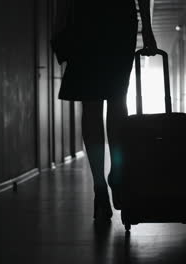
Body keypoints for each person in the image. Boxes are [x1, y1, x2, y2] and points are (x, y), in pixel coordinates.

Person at [53, 0, 158, 221]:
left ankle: (105, 183)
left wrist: (59, 26)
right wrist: (147, 28)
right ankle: (108, 181)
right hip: (111, 20)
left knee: (100, 102)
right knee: (112, 101)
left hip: (90, 18)